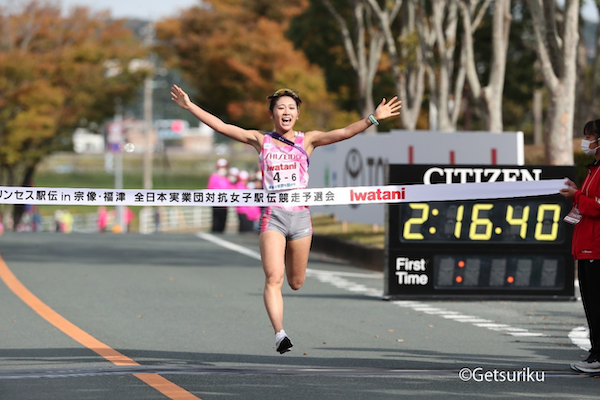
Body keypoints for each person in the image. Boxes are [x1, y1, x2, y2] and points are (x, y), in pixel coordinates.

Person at [171, 84, 401, 354]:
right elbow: (222, 126)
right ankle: (280, 333)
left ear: (297, 114)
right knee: (273, 277)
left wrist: (373, 118)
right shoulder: (261, 140)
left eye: (291, 107)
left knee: (296, 282)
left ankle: (287, 298)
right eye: (280, 107)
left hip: (301, 219)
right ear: (272, 114)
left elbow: (343, 133)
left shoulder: (309, 140)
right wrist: (190, 107)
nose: (286, 111)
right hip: (274, 218)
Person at [560, 119, 600, 373]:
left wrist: (576, 196)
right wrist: (577, 192)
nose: (585, 141)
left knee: (597, 305)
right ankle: (595, 353)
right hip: (587, 247)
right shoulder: (593, 169)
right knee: (591, 305)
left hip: (597, 248)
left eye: (590, 136)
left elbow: (596, 206)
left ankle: (598, 357)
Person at [207, 158, 230, 233]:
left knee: (223, 220)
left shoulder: (226, 178)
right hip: (217, 202)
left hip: (225, 204)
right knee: (216, 220)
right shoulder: (214, 177)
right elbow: (210, 188)